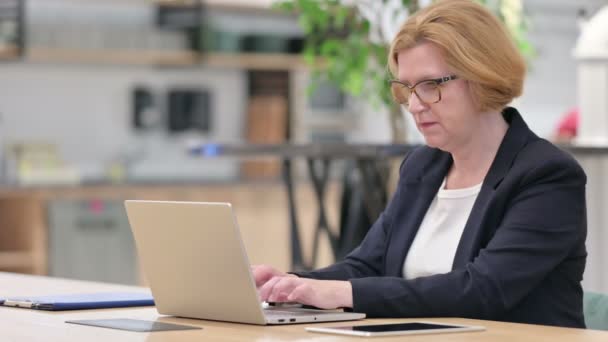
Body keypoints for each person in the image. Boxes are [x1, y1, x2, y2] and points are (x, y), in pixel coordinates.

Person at [254, 0, 587, 328]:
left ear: (483, 75)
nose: (414, 105)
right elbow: (367, 265)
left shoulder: (547, 175)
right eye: (406, 89)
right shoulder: (423, 166)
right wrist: (290, 285)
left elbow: (483, 290)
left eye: (430, 85)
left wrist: (343, 293)